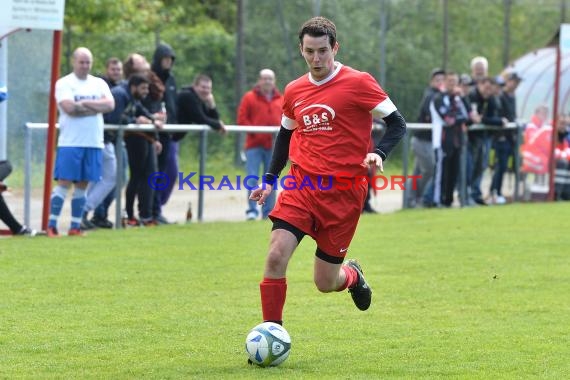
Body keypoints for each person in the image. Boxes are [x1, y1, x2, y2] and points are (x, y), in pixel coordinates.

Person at [249, 17, 406, 329]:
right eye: (309, 51)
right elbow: (284, 136)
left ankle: (353, 275)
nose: (316, 59)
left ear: (335, 47)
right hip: (302, 186)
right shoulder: (294, 90)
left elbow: (397, 123)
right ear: (301, 49)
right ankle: (272, 333)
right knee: (275, 255)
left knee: (325, 281)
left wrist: (378, 152)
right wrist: (269, 180)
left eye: (323, 51)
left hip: (344, 193)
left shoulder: (359, 82)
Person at [47, 47, 115, 237]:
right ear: (74, 62)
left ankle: (75, 227)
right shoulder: (64, 83)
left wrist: (84, 104)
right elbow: (69, 108)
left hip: (93, 142)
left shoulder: (99, 83)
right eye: (81, 62)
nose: (85, 66)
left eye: (88, 62)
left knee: (83, 185)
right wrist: (96, 107)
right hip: (71, 142)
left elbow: (110, 105)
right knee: (64, 183)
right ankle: (51, 225)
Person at [237, 68, 283, 220]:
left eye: (270, 78)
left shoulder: (281, 99)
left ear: (274, 81)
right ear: (259, 80)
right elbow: (242, 119)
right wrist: (256, 133)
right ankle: (251, 211)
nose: (267, 81)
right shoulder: (249, 97)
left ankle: (268, 212)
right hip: (254, 146)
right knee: (252, 177)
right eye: (264, 78)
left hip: (274, 147)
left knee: (270, 179)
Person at [429, 71, 469, 207]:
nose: (453, 84)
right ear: (445, 83)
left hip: (457, 141)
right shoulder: (438, 98)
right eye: (450, 81)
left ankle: (448, 200)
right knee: (441, 173)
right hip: (442, 141)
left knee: (453, 172)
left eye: (455, 81)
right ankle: (437, 200)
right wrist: (457, 116)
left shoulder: (457, 98)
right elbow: (448, 119)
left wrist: (457, 116)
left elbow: (465, 115)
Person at [407, 67, 444, 208]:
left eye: (442, 80)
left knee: (418, 172)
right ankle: (415, 198)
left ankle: (410, 199)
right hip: (422, 140)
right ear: (431, 82)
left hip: (430, 141)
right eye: (437, 80)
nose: (440, 82)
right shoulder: (431, 95)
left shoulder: (440, 95)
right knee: (429, 169)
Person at [150, 43, 178, 224]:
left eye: (170, 59)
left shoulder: (171, 80)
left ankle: (156, 208)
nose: (168, 62)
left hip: (169, 134)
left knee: (169, 172)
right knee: (155, 173)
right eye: (165, 59)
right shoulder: (151, 79)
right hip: (154, 133)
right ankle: (151, 211)